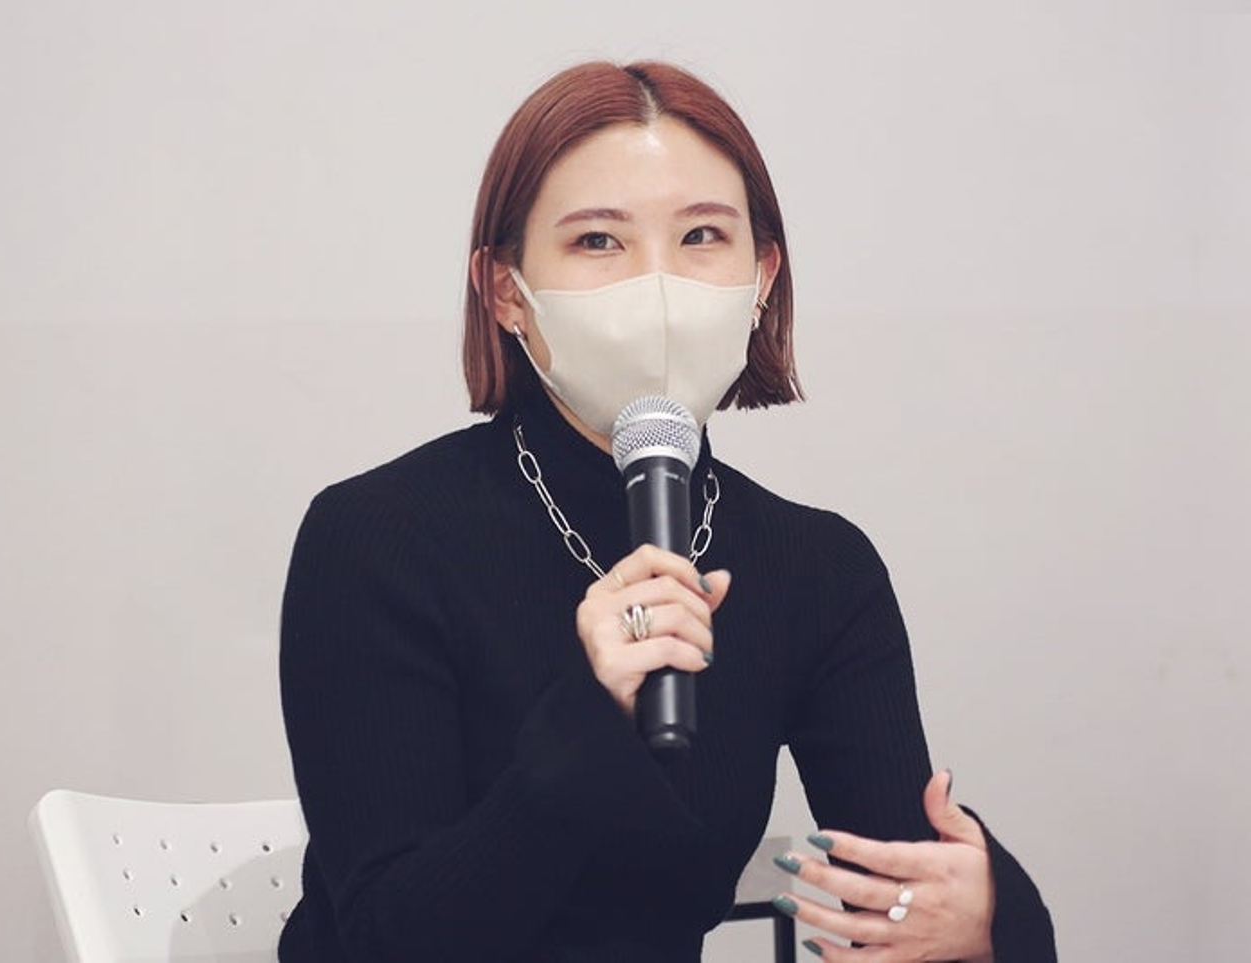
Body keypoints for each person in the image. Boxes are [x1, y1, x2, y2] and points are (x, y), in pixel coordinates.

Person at [278, 60, 1056, 962]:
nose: (658, 287)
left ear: (761, 277)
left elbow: (899, 878)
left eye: (701, 236)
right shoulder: (376, 538)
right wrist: (587, 722)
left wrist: (986, 914)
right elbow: (387, 935)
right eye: (598, 241)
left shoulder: (818, 567)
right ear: (506, 291)